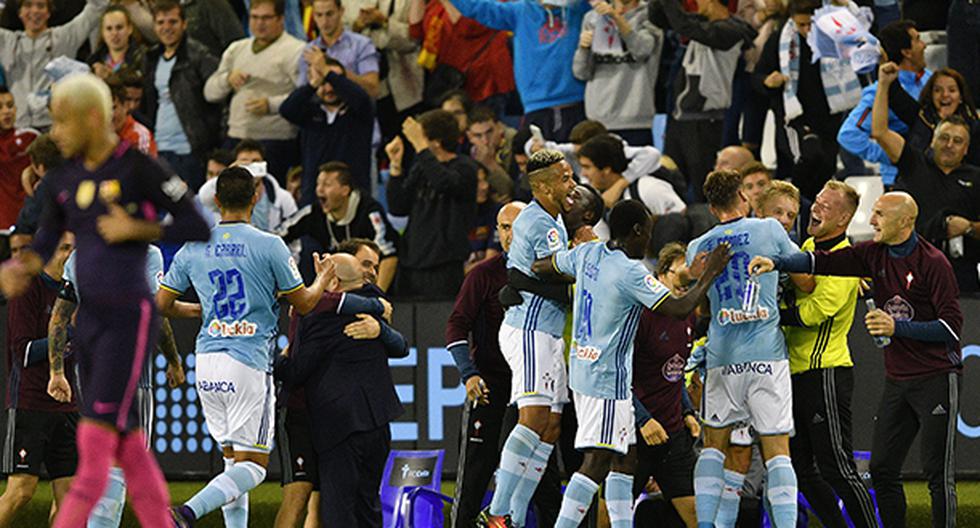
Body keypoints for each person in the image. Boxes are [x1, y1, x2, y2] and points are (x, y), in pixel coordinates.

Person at [0, 72, 211, 527]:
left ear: (91, 118)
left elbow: (198, 225)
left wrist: (140, 229)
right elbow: (45, 243)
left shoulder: (138, 169)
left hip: (128, 318)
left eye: (60, 121)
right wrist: (21, 270)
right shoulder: (63, 178)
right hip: (88, 321)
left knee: (95, 445)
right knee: (129, 445)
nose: (54, 132)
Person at [750, 191, 963, 528]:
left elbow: (952, 328)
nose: (872, 220)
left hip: (936, 376)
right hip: (897, 380)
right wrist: (777, 262)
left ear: (906, 221)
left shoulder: (933, 262)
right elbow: (822, 262)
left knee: (937, 473)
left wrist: (897, 326)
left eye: (880, 214)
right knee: (881, 470)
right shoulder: (873, 254)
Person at [158, 166, 334, 527]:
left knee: (232, 462)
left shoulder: (194, 246)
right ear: (256, 197)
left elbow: (160, 305)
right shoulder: (269, 244)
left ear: (217, 201)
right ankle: (185, 513)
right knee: (253, 467)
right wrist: (323, 280)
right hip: (248, 361)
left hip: (206, 360)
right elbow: (303, 303)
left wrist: (199, 310)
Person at [534, 200, 729, 528]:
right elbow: (680, 308)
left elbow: (543, 266)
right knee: (596, 463)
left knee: (626, 459)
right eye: (648, 234)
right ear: (637, 231)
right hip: (607, 378)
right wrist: (711, 273)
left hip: (583, 370)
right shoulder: (629, 271)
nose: (648, 243)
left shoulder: (588, 254)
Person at [687, 169, 801, 528]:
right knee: (777, 451)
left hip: (722, 357)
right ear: (743, 195)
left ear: (710, 205)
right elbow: (806, 279)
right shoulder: (769, 230)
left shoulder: (698, 246)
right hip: (766, 356)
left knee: (716, 448)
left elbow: (699, 301)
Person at [50, 243, 184, 528]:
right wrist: (174, 361)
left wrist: (56, 371)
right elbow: (156, 315)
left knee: (101, 461)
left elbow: (60, 317)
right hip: (132, 375)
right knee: (125, 464)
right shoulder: (147, 254)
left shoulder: (81, 254)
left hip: (91, 374)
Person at [447, 201, 563, 527]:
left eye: (517, 226)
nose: (510, 234)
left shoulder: (551, 270)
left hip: (533, 386)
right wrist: (468, 374)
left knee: (544, 480)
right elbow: (456, 326)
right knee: (474, 476)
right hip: (491, 386)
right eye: (504, 227)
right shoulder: (483, 275)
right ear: (497, 232)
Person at [474, 149, 574, 527]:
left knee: (550, 426)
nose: (572, 183)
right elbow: (551, 276)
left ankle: (513, 516)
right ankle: (497, 511)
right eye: (565, 178)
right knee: (532, 419)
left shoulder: (553, 219)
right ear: (545, 186)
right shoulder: (541, 224)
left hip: (547, 332)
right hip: (530, 330)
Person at [273, 253, 407, 527]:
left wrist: (280, 360)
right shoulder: (374, 306)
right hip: (378, 423)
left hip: (339, 427)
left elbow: (296, 372)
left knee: (339, 510)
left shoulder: (319, 318)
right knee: (368, 505)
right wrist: (381, 329)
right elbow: (402, 347)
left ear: (332, 280)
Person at [776, 180, 879, 528]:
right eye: (817, 200)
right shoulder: (807, 246)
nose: (815, 208)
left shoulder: (847, 261)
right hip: (795, 373)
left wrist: (771, 316)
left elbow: (813, 313)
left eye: (826, 206)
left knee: (838, 468)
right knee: (800, 469)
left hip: (825, 373)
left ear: (844, 220)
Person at [871, 61, 980, 293]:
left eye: (958, 141)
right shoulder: (913, 162)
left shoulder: (976, 177)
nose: (949, 145)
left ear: (967, 149)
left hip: (961, 274)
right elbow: (879, 132)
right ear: (932, 140)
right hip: (911, 266)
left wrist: (969, 227)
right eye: (944, 138)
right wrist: (883, 84)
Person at [0, 234, 75, 527]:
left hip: (68, 407)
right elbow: (25, 352)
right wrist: (69, 335)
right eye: (65, 248)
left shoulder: (76, 291)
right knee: (21, 492)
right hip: (31, 403)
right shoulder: (29, 289)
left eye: (75, 248)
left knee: (69, 499)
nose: (71, 254)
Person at [753, 0, 861, 199]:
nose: (806, 30)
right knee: (806, 160)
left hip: (829, 118)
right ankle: (798, 215)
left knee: (826, 169)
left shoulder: (836, 38)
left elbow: (862, 34)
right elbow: (757, 76)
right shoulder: (780, 41)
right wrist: (768, 81)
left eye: (811, 24)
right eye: (800, 25)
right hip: (793, 118)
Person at [652, 0, 756, 203]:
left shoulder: (731, 31)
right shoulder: (704, 24)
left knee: (703, 189)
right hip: (681, 118)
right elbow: (658, 19)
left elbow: (685, 26)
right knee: (670, 179)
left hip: (705, 121)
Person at [630, 242, 702, 528]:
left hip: (673, 436)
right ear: (661, 274)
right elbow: (618, 376)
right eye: (679, 277)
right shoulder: (640, 315)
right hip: (636, 437)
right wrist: (643, 420)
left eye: (690, 280)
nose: (685, 285)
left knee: (699, 517)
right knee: (607, 518)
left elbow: (674, 374)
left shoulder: (687, 317)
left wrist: (687, 412)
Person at [446, 0, 589, 142]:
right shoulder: (520, 11)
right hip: (536, 108)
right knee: (540, 164)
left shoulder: (582, 7)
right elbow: (475, 7)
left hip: (578, 104)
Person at [203, 0, 305, 185]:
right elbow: (210, 93)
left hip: (274, 141)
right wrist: (227, 80)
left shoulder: (296, 50)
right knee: (230, 197)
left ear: (281, 19)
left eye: (266, 18)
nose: (259, 23)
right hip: (236, 138)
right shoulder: (236, 49)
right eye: (255, 17)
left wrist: (271, 104)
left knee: (264, 198)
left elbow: (305, 97)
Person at [385, 111, 478, 299]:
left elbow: (445, 183)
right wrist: (395, 166)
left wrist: (421, 147)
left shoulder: (465, 167)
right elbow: (398, 206)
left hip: (445, 264)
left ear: (436, 141)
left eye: (421, 136)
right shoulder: (421, 167)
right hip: (412, 261)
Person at [278, 161, 399, 290]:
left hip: (373, 287)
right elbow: (278, 236)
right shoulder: (313, 212)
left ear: (345, 190)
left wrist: (377, 298)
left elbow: (389, 256)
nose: (319, 189)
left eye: (327, 184)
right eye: (318, 183)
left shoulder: (369, 211)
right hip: (338, 288)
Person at [837, 20, 930, 186]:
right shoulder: (879, 92)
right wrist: (891, 154)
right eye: (918, 39)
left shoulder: (931, 81)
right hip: (899, 180)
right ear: (906, 52)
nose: (924, 45)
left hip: (932, 174)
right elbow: (848, 134)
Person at [142, 0, 220, 192]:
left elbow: (219, 100)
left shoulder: (200, 55)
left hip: (189, 152)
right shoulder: (150, 58)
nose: (166, 28)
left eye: (172, 22)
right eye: (161, 23)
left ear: (184, 24)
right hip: (159, 149)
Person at [0, 0, 108, 129]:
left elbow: (98, 6)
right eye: (28, 5)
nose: (34, 11)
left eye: (40, 6)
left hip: (54, 127)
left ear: (48, 13)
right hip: (17, 128)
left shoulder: (64, 37)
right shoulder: (7, 42)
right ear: (20, 12)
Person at [279, 56, 375, 202]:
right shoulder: (309, 112)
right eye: (324, 82)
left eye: (334, 81)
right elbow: (286, 109)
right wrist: (312, 85)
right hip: (314, 194)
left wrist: (327, 72)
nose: (329, 88)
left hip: (353, 194)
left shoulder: (359, 111)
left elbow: (362, 98)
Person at [572, 0, 662, 146]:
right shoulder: (592, 17)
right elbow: (581, 73)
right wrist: (583, 48)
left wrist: (617, 19)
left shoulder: (650, 15)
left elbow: (642, 50)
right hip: (597, 121)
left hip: (636, 120)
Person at [576, 134, 685, 240]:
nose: (583, 173)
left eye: (587, 167)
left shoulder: (648, 188)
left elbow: (680, 222)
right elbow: (603, 240)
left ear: (606, 170)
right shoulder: (597, 200)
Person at [197, 141, 299, 233]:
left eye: (255, 161)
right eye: (244, 162)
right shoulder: (227, 194)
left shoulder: (283, 198)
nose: (250, 167)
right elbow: (204, 196)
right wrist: (228, 174)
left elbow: (295, 233)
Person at [886, 67, 980, 166]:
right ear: (931, 95)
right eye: (937, 90)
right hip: (918, 178)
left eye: (952, 90)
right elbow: (894, 93)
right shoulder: (920, 116)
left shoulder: (973, 127)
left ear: (960, 97)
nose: (945, 95)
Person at [298, 0, 381, 98]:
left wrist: (340, 73)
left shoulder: (362, 45)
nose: (324, 21)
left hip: (355, 110)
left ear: (341, 11)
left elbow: (373, 90)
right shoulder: (309, 51)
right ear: (313, 16)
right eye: (319, 15)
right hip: (320, 111)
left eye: (330, 14)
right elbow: (302, 95)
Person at [0, 85, 37, 231]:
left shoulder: (30, 138)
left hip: (27, 223)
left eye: (10, 106)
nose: (6, 111)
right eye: (0, 107)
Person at [86, 5, 146, 80]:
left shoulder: (144, 57)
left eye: (119, 27)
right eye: (109, 28)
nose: (114, 33)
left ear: (130, 29)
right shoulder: (92, 61)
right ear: (102, 33)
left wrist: (110, 76)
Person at [108, 77, 157, 158]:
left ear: (125, 107)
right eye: (105, 108)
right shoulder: (91, 133)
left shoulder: (139, 136)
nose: (110, 115)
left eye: (114, 108)